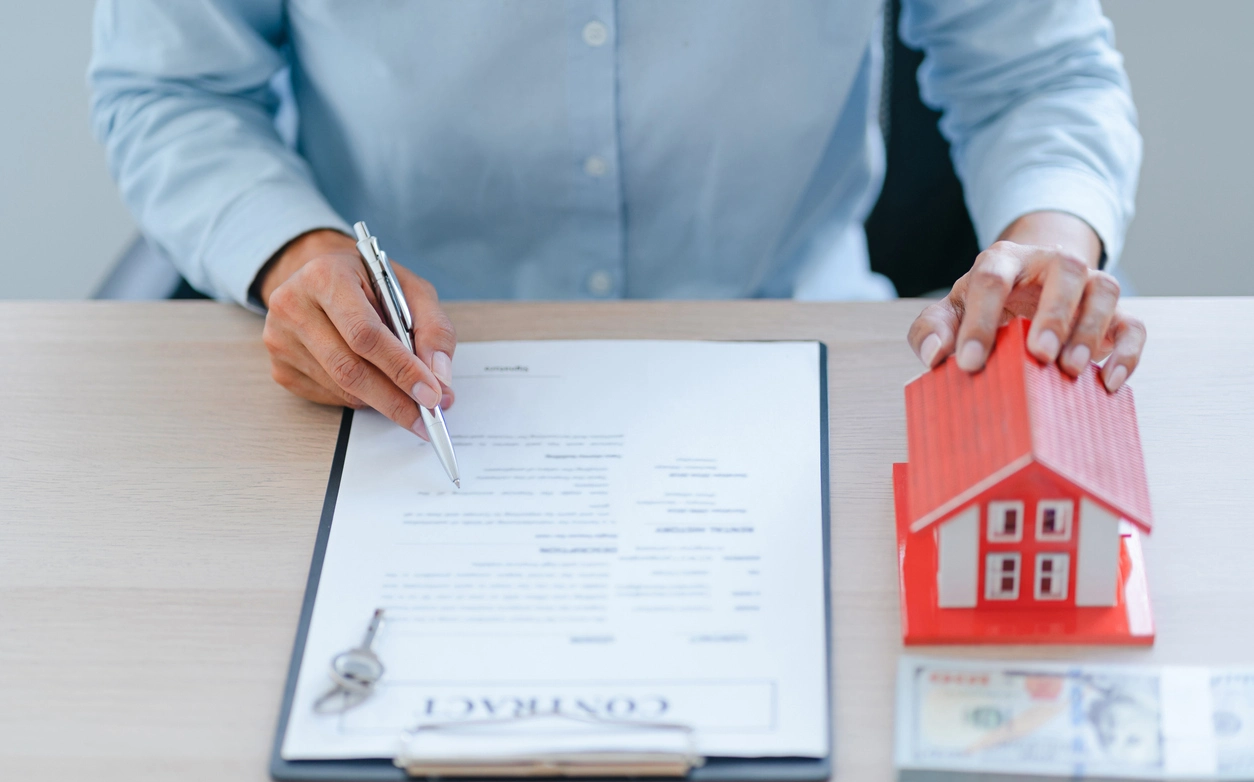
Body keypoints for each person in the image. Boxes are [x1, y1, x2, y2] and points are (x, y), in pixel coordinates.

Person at [90, 1, 1144, 438]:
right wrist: (295, 253)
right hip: (393, 397)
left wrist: (1047, 243)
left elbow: (1036, 65)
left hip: (797, 371)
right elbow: (170, 87)